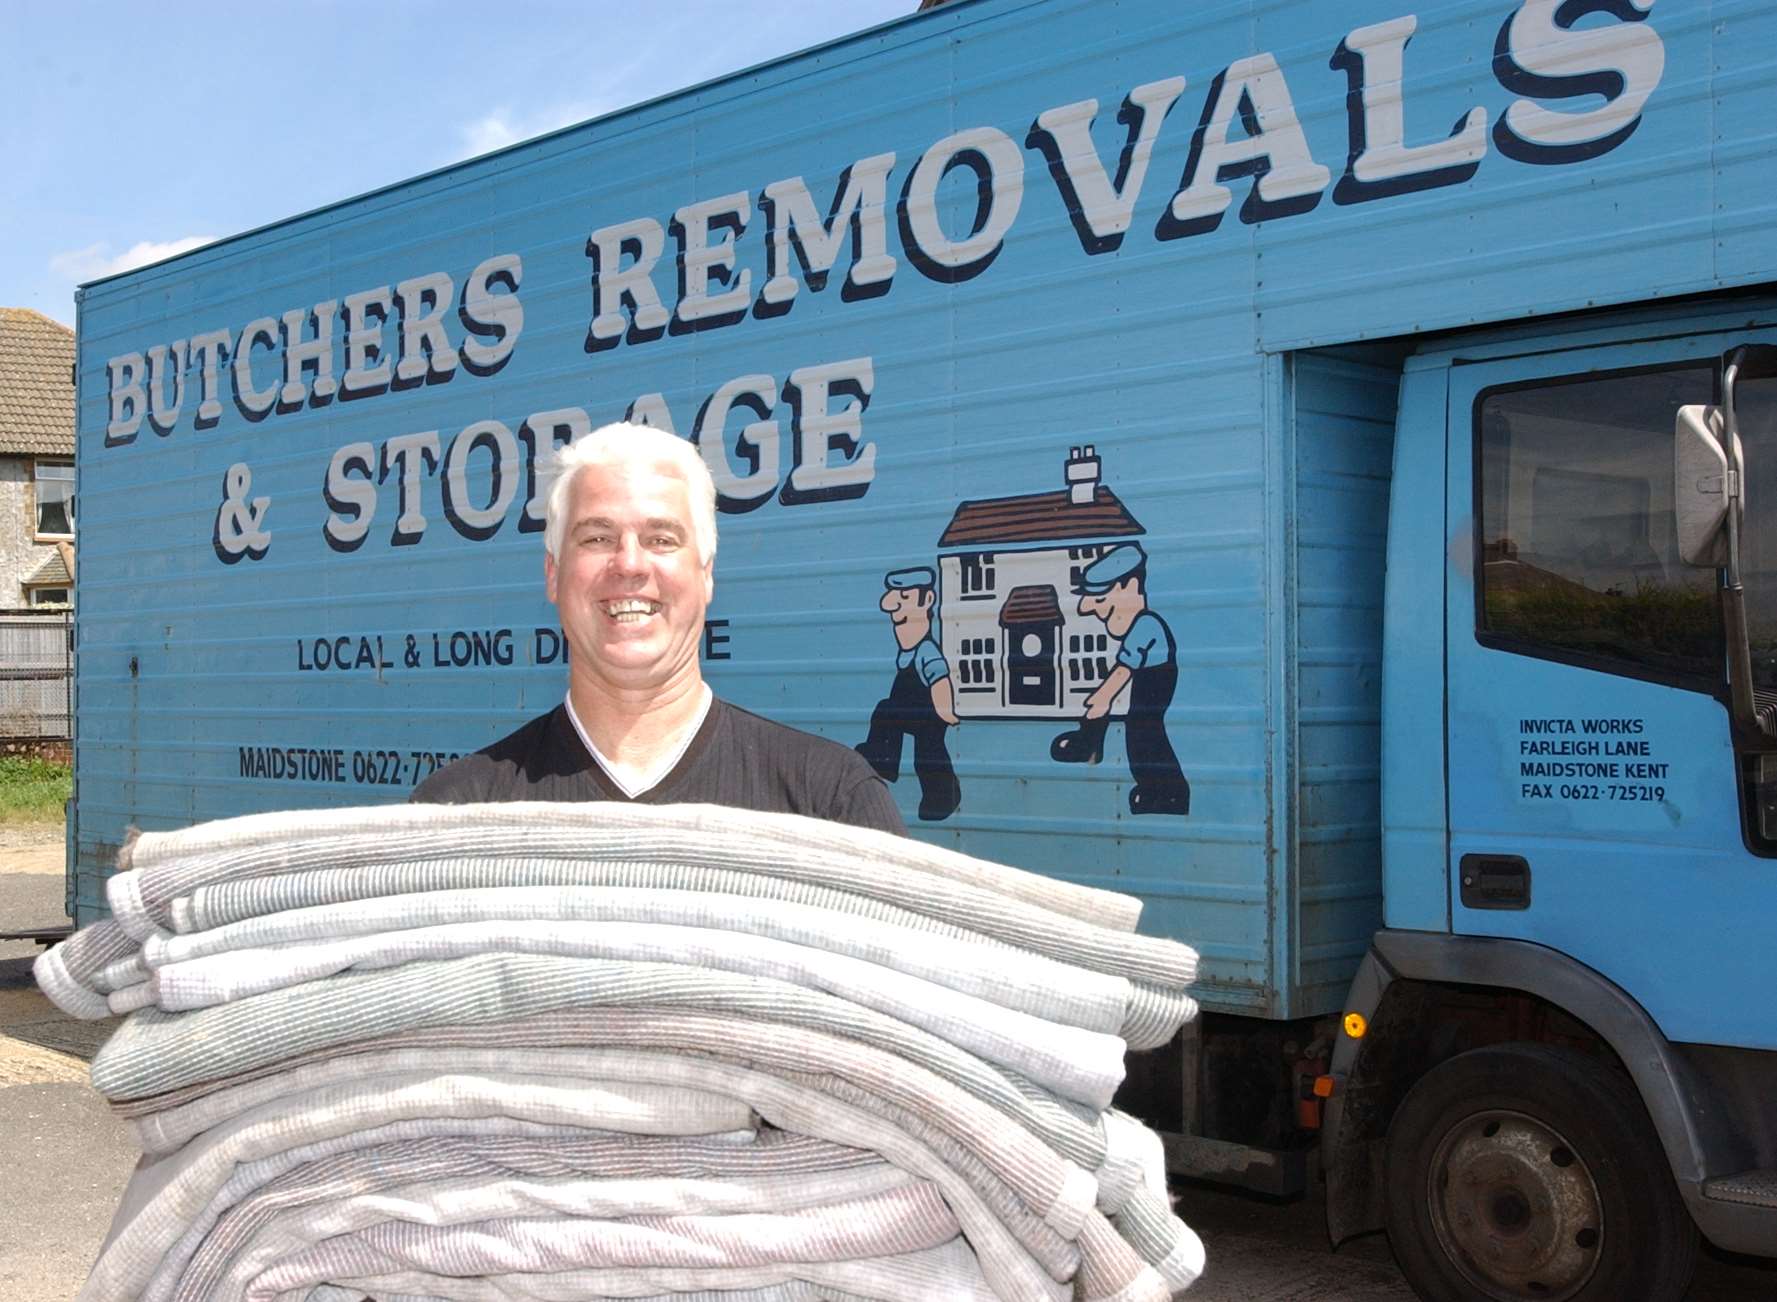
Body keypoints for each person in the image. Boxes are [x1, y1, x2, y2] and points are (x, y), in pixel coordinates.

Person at [413, 421, 905, 833]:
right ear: (553, 575)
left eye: (661, 538)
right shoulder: (455, 817)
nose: (629, 564)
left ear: (706, 573)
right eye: (598, 537)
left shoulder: (832, 805)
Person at [1049, 542, 1191, 815]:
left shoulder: (1146, 624)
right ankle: (1090, 743)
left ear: (1131, 587)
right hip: (1148, 685)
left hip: (1154, 683)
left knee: (1145, 735)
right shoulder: (1140, 623)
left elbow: (1123, 670)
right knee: (1140, 730)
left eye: (1101, 600)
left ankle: (1170, 794)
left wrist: (1103, 697)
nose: (1092, 609)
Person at [855, 567, 961, 821]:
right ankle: (882, 761)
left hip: (930, 713)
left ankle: (943, 796)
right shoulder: (909, 649)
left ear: (927, 601)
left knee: (928, 755)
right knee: (886, 712)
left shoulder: (926, 650)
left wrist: (946, 711)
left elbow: (940, 679)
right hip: (911, 710)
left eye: (905, 599)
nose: (894, 610)